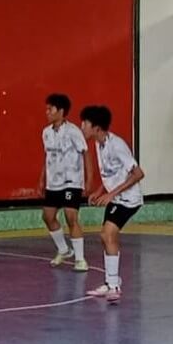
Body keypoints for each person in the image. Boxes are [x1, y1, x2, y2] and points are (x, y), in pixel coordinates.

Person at [81, 105, 145, 304]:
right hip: (115, 198)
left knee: (107, 234)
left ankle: (114, 285)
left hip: (128, 199)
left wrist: (111, 194)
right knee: (106, 236)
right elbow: (112, 173)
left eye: (85, 123)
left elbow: (138, 174)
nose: (82, 126)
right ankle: (111, 282)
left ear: (97, 127)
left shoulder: (117, 145)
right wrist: (100, 191)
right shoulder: (99, 144)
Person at [39, 93, 89, 272]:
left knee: (71, 217)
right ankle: (64, 250)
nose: (47, 112)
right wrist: (42, 179)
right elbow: (47, 157)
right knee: (48, 217)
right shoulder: (46, 133)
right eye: (46, 109)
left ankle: (81, 259)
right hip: (53, 183)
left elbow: (85, 153)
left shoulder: (73, 131)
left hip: (72, 181)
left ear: (60, 111)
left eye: (50, 109)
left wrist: (88, 181)